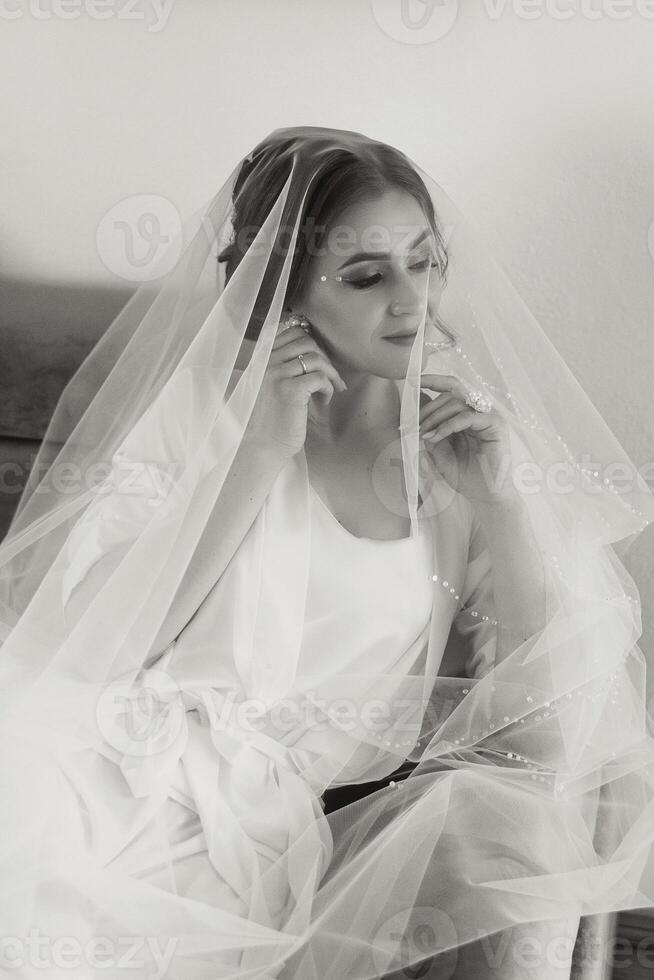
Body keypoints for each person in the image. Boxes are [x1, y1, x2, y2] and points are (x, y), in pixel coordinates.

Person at [0, 126, 653, 980]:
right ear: (283, 294)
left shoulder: (466, 454)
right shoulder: (209, 414)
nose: (411, 301)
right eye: (365, 274)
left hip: (268, 838)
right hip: (85, 764)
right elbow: (93, 649)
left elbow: (536, 735)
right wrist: (258, 454)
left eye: (424, 261)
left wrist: (503, 510)